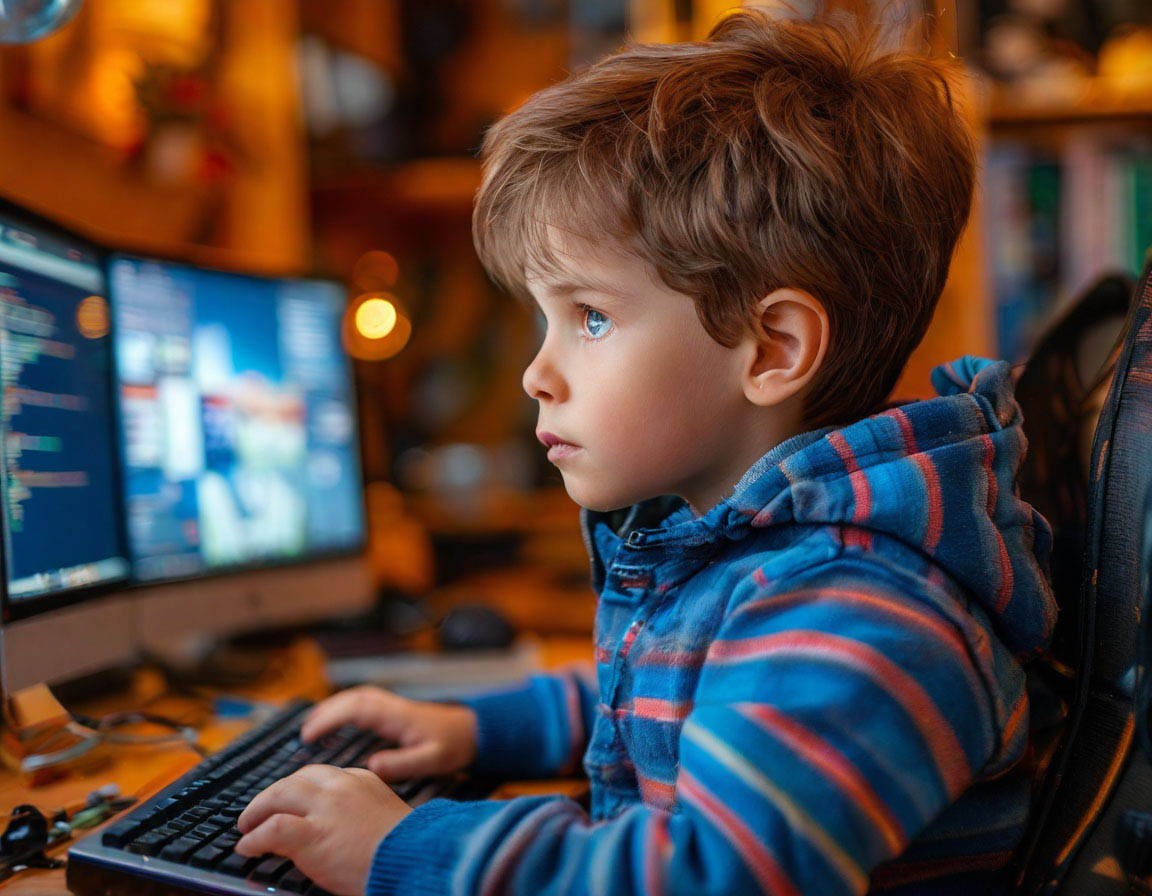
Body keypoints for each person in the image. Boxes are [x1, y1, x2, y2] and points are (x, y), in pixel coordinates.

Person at [234, 9, 1058, 895]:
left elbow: (708, 878)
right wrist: (475, 729)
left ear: (772, 347)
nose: (536, 375)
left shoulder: (862, 610)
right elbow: (659, 699)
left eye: (590, 317)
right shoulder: (752, 555)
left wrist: (406, 853)